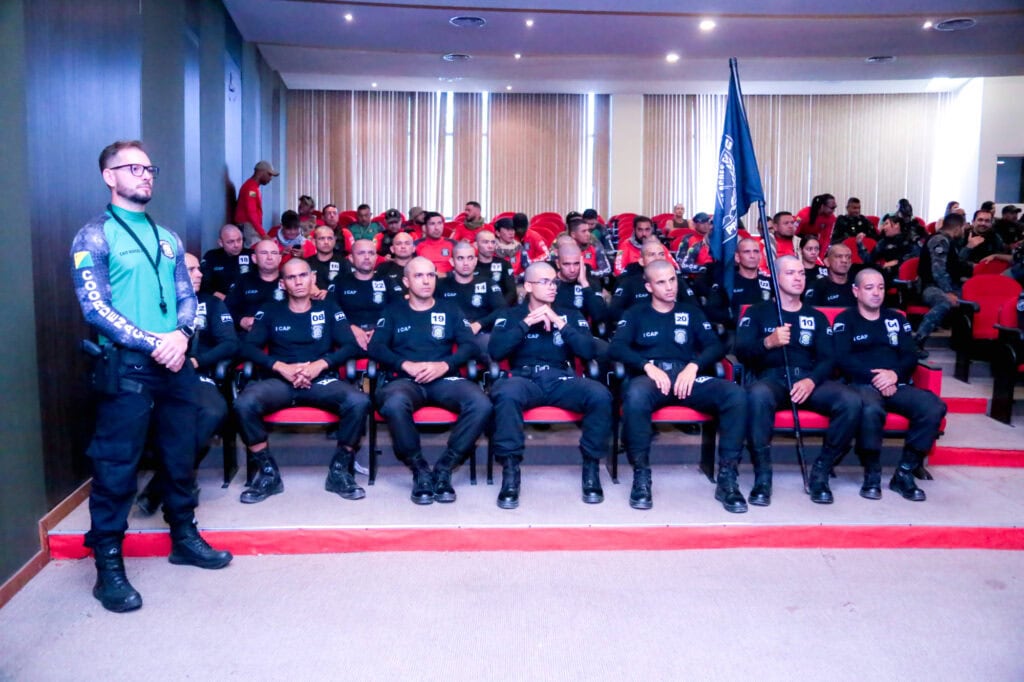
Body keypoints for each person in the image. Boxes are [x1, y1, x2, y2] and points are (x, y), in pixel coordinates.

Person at [71, 140, 232, 613]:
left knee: (180, 458)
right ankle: (108, 569)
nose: (145, 175)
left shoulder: (169, 238)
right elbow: (94, 306)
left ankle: (184, 538)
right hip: (128, 367)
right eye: (133, 168)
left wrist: (181, 335)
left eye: (149, 168)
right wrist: (153, 341)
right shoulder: (94, 235)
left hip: (176, 362)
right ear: (108, 176)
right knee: (116, 468)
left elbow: (187, 295)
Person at [609, 260, 749, 513]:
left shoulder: (691, 312)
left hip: (687, 375)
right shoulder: (635, 314)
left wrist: (694, 366)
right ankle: (641, 475)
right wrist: (646, 367)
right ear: (649, 286)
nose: (670, 287)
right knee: (636, 394)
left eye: (673, 279)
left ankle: (728, 477)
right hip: (652, 377)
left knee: (735, 395)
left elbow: (716, 345)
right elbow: (616, 347)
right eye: (661, 282)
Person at [234, 258, 371, 504]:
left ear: (312, 278)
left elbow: (351, 346)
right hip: (280, 380)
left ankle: (339, 472)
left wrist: (320, 365)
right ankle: (268, 474)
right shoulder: (270, 310)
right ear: (283, 283)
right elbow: (248, 348)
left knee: (358, 401)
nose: (298, 281)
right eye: (291, 277)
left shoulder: (329, 308)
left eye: (303, 275)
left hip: (321, 380)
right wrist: (281, 367)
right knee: (244, 404)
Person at [736, 255, 861, 505]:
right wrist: (767, 343)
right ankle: (763, 474)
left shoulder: (816, 316)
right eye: (791, 273)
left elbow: (829, 359)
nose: (798, 278)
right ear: (776, 277)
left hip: (807, 380)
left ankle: (821, 471)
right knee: (757, 395)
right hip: (772, 379)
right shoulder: (757, 312)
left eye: (801, 273)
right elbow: (741, 351)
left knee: (851, 401)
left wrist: (812, 381)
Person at [367, 257, 492, 504]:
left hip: (444, 377)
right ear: (406, 281)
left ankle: (445, 467)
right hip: (404, 379)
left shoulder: (450, 309)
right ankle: (419, 469)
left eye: (431, 275)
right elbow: (376, 347)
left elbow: (470, 346)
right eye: (419, 276)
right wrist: (406, 365)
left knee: (482, 404)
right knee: (393, 404)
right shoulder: (393, 311)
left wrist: (445, 365)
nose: (426, 281)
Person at [488, 262, 612, 508]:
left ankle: (591, 467)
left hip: (560, 378)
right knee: (505, 394)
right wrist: (526, 323)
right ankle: (511, 472)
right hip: (525, 378)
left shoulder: (569, 314)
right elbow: (495, 351)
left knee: (600, 395)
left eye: (554, 281)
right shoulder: (511, 315)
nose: (552, 287)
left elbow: (588, 352)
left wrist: (559, 323)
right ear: (528, 286)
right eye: (544, 282)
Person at [136, 253, 239, 515]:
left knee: (212, 412)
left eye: (199, 269)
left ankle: (162, 482)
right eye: (191, 270)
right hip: (158, 377)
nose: (200, 274)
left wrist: (195, 361)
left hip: (197, 376)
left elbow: (230, 343)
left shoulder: (211, 304)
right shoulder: (154, 307)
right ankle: (177, 480)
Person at [833, 269, 947, 501]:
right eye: (869, 288)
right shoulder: (846, 319)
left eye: (881, 287)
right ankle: (872, 473)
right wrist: (878, 379)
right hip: (861, 384)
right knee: (871, 409)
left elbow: (910, 355)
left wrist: (893, 375)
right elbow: (842, 359)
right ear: (856, 291)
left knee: (932, 406)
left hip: (897, 383)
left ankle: (904, 473)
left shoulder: (896, 319)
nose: (876, 293)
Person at [437, 241, 508, 358]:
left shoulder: (488, 283)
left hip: (480, 334)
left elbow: (502, 310)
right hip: (449, 336)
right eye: (460, 258)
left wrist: (479, 324)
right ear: (452, 261)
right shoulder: (440, 285)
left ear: (475, 261)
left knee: (491, 344)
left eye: (470, 258)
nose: (466, 263)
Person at [915, 212, 971, 357]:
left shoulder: (950, 242)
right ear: (958, 228)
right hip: (930, 286)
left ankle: (962, 346)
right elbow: (938, 271)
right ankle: (917, 342)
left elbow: (955, 265)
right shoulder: (939, 240)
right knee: (944, 302)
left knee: (972, 302)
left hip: (948, 285)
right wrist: (948, 292)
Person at [334, 239, 404, 353]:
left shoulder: (387, 281)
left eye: (371, 253)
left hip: (382, 335)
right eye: (361, 253)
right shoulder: (340, 282)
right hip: (348, 334)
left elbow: (399, 309)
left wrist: (380, 330)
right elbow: (331, 310)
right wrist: (349, 327)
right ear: (351, 258)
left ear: (376, 257)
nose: (367, 257)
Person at [609, 237, 696, 325]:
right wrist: (639, 319)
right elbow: (613, 311)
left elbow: (694, 308)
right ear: (642, 261)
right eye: (652, 255)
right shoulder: (629, 283)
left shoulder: (677, 281)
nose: (658, 258)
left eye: (661, 254)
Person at [225, 239, 283, 336]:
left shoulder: (290, 280)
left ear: (280, 258)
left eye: (274, 253)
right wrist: (241, 321)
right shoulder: (243, 281)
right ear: (254, 258)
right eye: (264, 253)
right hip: (249, 336)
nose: (269, 257)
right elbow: (227, 309)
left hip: (283, 335)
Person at [554, 242, 608, 327]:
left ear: (582, 262)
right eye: (566, 264)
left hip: (582, 334)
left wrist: (584, 284)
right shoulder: (549, 284)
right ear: (558, 263)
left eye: (576, 264)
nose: (572, 270)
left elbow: (600, 316)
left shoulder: (590, 282)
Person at [200, 224, 252, 299]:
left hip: (248, 301)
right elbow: (204, 285)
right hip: (220, 302)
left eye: (239, 240)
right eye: (231, 242)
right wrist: (226, 299)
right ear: (221, 243)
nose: (236, 245)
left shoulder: (251, 255)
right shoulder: (211, 256)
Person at [235, 160, 279, 246]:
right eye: (269, 174)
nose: (270, 179)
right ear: (261, 172)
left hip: (250, 227)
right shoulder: (251, 188)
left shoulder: (252, 187)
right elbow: (251, 213)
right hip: (248, 228)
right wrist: (263, 234)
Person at [804, 243, 856, 307]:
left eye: (848, 257)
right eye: (839, 256)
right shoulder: (817, 286)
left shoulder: (857, 285)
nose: (844, 260)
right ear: (827, 262)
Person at [474, 229, 517, 305]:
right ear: (476, 245)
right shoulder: (471, 265)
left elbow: (512, 292)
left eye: (493, 242)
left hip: (500, 308)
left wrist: (499, 307)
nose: (490, 246)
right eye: (485, 242)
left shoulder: (504, 264)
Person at [306, 226, 352, 296]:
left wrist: (329, 294)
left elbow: (349, 289)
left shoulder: (344, 263)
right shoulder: (306, 264)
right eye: (322, 238)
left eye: (330, 238)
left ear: (334, 241)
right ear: (314, 242)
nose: (326, 242)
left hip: (336, 303)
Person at [566, 215, 613, 281]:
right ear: (573, 234)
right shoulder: (563, 248)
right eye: (584, 231)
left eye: (588, 230)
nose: (588, 234)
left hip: (592, 282)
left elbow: (607, 269)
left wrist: (588, 274)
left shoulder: (595, 245)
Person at [415, 211, 457, 275]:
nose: (437, 228)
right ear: (425, 227)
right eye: (432, 224)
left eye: (439, 223)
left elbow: (461, 267)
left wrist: (444, 275)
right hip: (425, 280)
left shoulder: (453, 243)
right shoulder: (416, 245)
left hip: (449, 281)